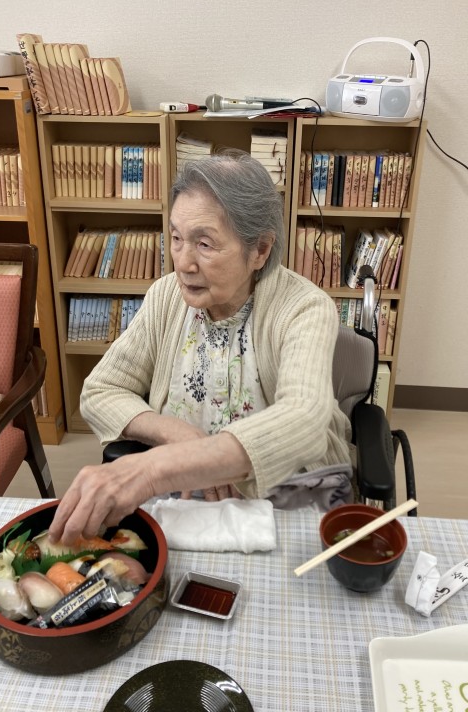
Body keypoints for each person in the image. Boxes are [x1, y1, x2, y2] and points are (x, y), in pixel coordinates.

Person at [49, 152, 352, 545]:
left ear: (260, 250)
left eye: (205, 244)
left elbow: (304, 420)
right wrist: (174, 435)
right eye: (176, 238)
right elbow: (100, 391)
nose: (183, 263)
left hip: (285, 497)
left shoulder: (304, 308)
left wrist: (153, 469)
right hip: (182, 501)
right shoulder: (165, 297)